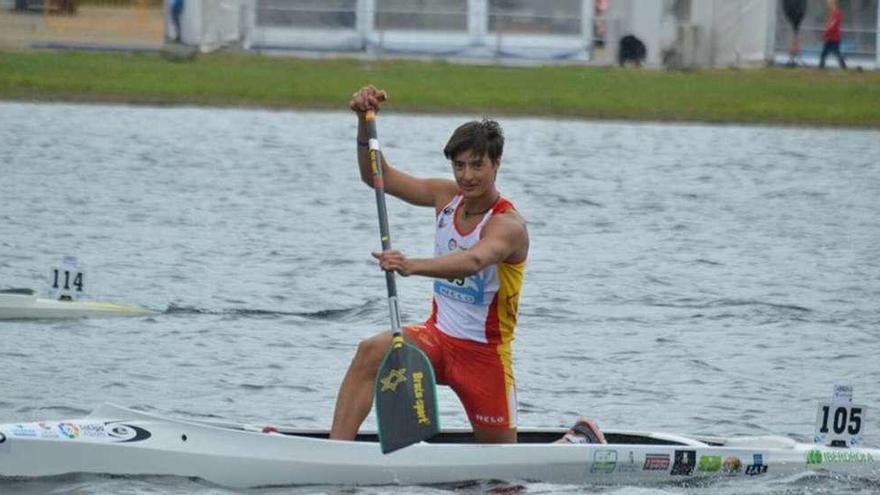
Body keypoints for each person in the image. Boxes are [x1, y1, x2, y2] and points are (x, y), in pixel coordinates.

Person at [329, 85, 605, 445]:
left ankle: (579, 440)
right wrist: (364, 124)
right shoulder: (445, 197)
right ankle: (337, 452)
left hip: (484, 357)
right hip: (437, 340)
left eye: (477, 165)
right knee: (371, 350)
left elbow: (474, 260)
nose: (467, 175)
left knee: (504, 476)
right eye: (459, 165)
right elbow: (376, 176)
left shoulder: (507, 226)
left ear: (496, 164)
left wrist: (412, 265)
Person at [819, 0, 846, 70]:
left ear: (833, 4)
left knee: (837, 53)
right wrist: (825, 33)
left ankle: (844, 67)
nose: (828, 6)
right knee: (824, 53)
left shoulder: (838, 13)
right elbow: (828, 25)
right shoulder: (830, 13)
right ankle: (821, 67)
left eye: (829, 4)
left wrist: (825, 33)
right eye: (828, 4)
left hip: (835, 38)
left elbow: (832, 25)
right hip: (829, 38)